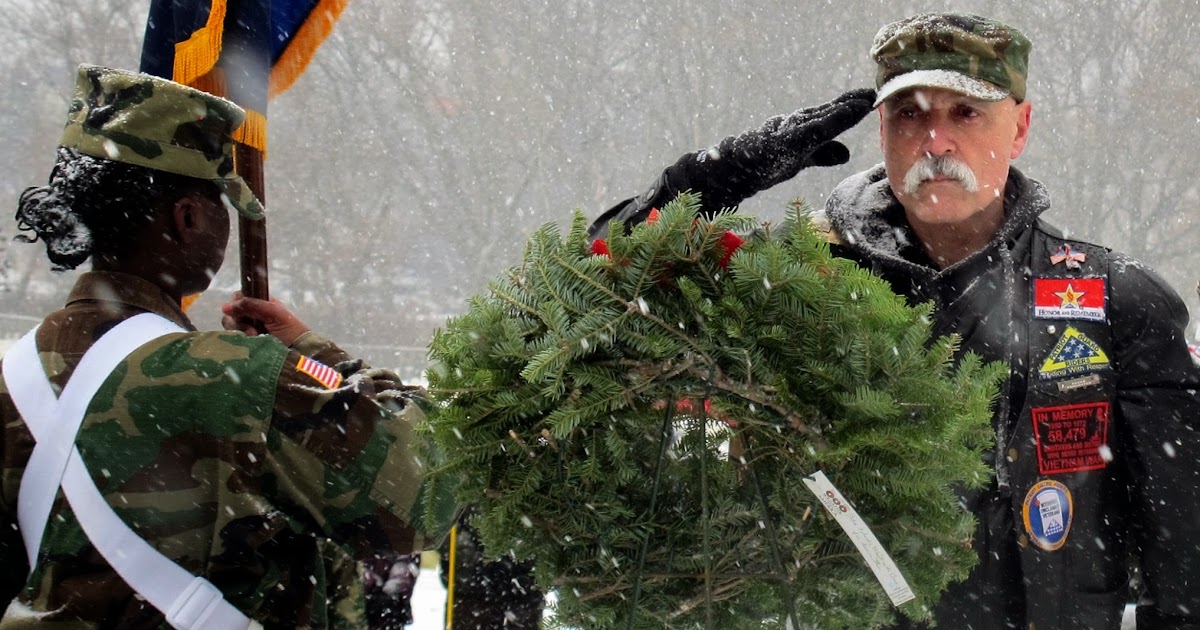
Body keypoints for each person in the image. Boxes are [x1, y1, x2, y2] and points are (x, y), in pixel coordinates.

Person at [590, 13, 1200, 629]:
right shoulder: (795, 283)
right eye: (910, 113)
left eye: (966, 112)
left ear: (1019, 128)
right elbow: (596, 298)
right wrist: (711, 179)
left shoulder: (1112, 303)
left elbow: (1188, 556)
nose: (936, 142)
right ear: (880, 128)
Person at [0, 65, 473, 628]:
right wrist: (316, 356)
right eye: (220, 203)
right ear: (187, 217)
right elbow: (424, 491)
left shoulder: (14, 377)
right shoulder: (236, 379)